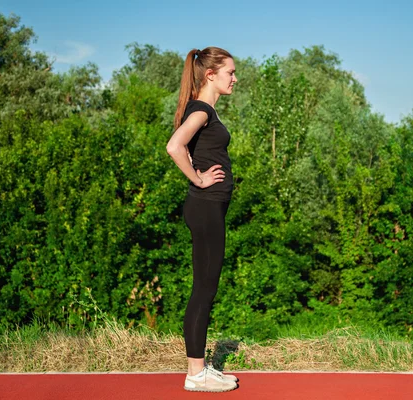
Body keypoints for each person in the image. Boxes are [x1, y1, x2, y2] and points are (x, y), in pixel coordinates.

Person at [166, 46, 239, 393]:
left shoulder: (205, 110)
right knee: (204, 290)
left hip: (210, 208)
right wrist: (197, 178)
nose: (235, 78)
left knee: (205, 287)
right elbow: (174, 146)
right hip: (205, 206)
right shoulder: (201, 111)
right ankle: (195, 374)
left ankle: (200, 369)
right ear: (211, 75)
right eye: (230, 72)